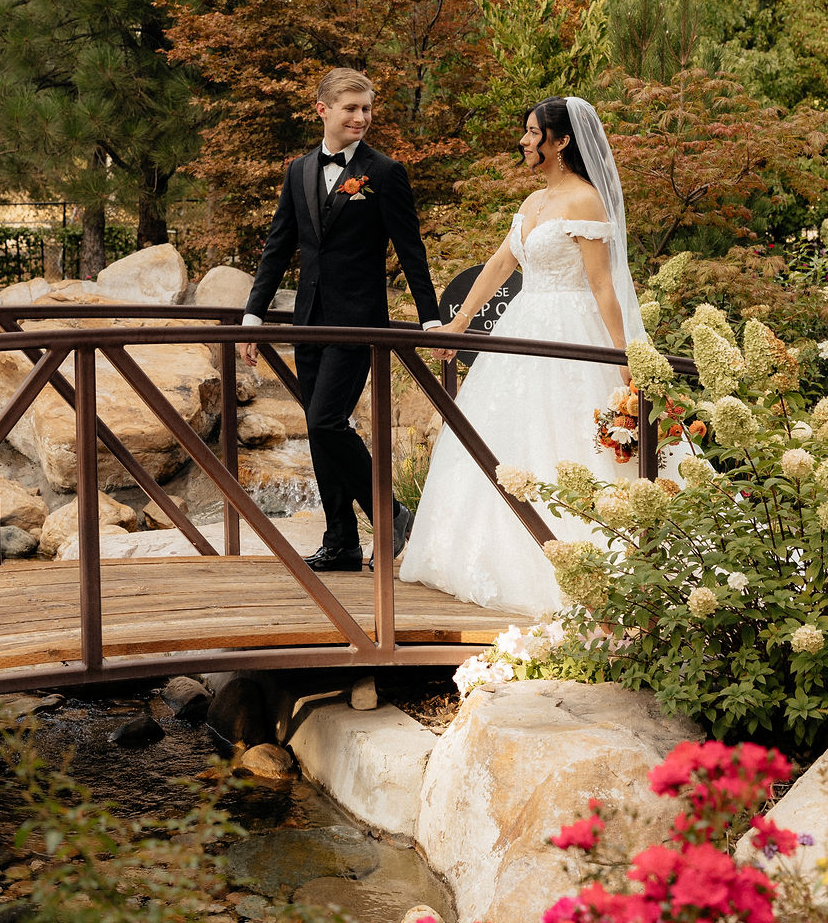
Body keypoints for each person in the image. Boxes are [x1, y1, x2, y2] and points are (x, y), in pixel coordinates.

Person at [400, 95, 648, 618]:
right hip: (520, 330)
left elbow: (603, 285)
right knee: (501, 433)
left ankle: (579, 561)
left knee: (569, 436)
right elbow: (499, 264)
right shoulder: (534, 201)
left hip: (571, 334)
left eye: (534, 133)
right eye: (527, 132)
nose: (524, 140)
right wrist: (459, 324)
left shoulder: (585, 202)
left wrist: (623, 353)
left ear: (562, 141)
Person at [242, 69, 441, 571]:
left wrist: (431, 321)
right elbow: (278, 246)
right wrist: (252, 315)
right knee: (319, 431)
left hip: (357, 322)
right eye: (351, 107)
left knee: (326, 420)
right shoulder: (298, 171)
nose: (361, 117)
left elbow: (410, 250)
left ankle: (391, 513)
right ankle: (341, 543)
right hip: (307, 321)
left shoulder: (385, 172)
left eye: (366, 108)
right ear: (323, 109)